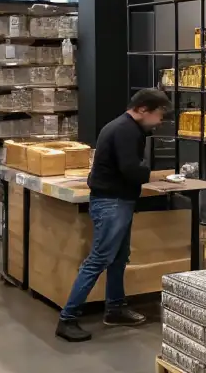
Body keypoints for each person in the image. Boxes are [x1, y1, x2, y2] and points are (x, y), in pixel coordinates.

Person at [55, 89, 175, 343]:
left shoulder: (126, 128)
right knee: (98, 259)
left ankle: (115, 308)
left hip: (118, 201)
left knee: (119, 258)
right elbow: (130, 170)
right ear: (143, 109)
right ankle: (68, 318)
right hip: (112, 203)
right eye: (159, 115)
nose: (160, 122)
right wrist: (162, 175)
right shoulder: (125, 131)